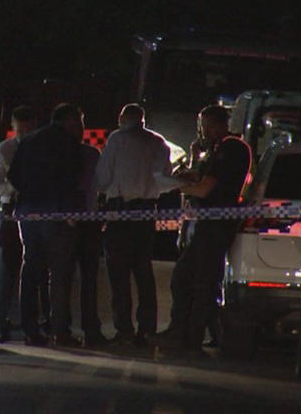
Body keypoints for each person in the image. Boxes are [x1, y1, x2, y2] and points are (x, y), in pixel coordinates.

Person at [156, 104, 251, 356]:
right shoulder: (217, 150)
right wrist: (194, 161)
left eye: (207, 126)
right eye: (202, 127)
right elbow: (198, 177)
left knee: (198, 281)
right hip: (207, 224)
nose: (204, 132)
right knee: (190, 278)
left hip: (215, 226)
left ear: (220, 125)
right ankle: (184, 333)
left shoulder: (231, 149)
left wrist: (172, 186)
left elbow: (204, 188)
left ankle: (190, 339)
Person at [95, 103, 172, 346]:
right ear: (142, 120)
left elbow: (102, 178)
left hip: (119, 210)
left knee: (118, 273)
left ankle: (124, 329)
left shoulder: (117, 140)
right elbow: (164, 179)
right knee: (143, 271)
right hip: (146, 211)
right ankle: (147, 328)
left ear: (121, 119)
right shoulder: (158, 142)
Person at [8, 103, 83, 347]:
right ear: (69, 120)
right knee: (60, 273)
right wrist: (68, 211)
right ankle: (59, 330)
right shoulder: (68, 143)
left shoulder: (29, 141)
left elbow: (13, 176)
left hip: (28, 214)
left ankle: (30, 330)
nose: (81, 128)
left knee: (31, 270)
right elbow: (70, 180)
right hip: (56, 215)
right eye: (79, 122)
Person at [0, 105, 38, 343]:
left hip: (35, 208)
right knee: (6, 269)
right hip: (10, 209)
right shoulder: (4, 150)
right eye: (20, 130)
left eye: (27, 129)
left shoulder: (41, 148)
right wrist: (14, 186)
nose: (24, 134)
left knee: (34, 270)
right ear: (13, 127)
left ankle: (31, 322)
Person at [74, 114, 108, 348]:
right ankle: (90, 328)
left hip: (68, 219)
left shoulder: (64, 154)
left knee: (61, 276)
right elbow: (102, 184)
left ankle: (59, 326)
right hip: (88, 218)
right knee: (88, 278)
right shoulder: (91, 153)